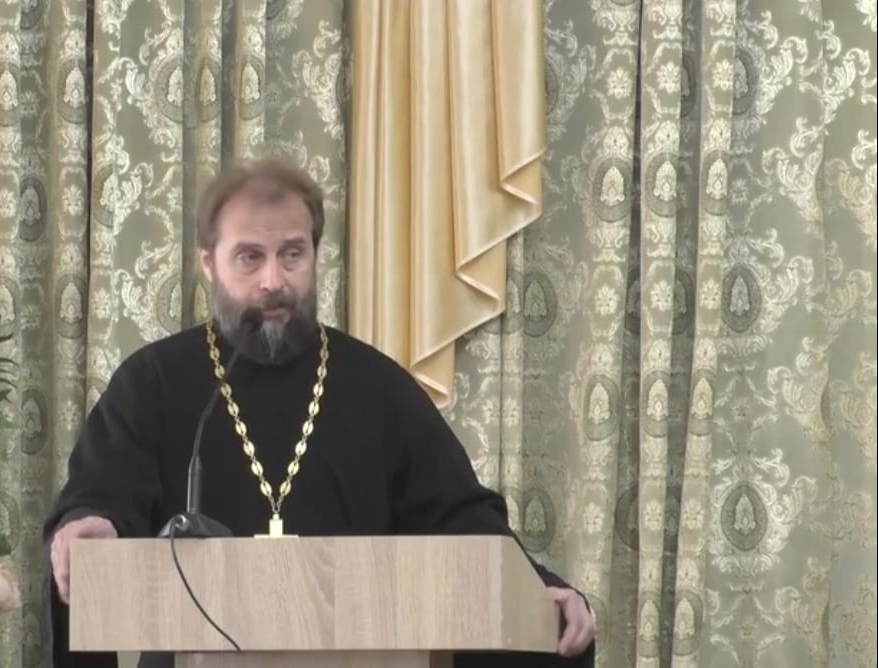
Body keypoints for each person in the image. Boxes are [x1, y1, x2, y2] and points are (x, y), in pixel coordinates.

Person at [42, 159, 596, 668]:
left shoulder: (376, 387)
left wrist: (538, 585)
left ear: (315, 253)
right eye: (249, 257)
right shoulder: (155, 382)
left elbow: (457, 517)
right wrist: (93, 523)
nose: (273, 281)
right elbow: (105, 495)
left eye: (292, 254)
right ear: (208, 262)